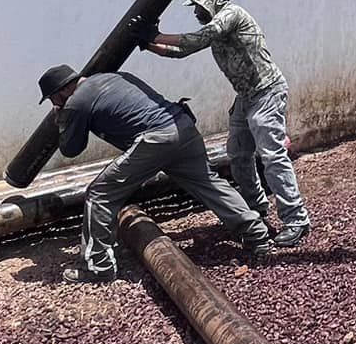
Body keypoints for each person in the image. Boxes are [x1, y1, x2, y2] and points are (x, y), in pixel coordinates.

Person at [38, 63, 271, 281]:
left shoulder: (76, 102)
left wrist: (62, 119)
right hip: (182, 126)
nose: (53, 104)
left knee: (100, 193)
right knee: (208, 183)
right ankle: (256, 234)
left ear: (60, 92)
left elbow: (71, 148)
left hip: (156, 140)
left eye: (52, 99)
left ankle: (98, 266)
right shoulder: (113, 77)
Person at [141, 0, 312, 248]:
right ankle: (256, 208)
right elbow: (180, 52)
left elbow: (197, 39)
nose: (196, 12)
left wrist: (155, 36)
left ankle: (296, 219)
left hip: (266, 92)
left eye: (198, 6)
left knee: (272, 155)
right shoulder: (215, 29)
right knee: (238, 154)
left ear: (211, 1)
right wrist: (147, 43)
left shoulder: (230, 15)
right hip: (246, 97)